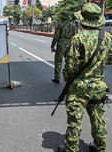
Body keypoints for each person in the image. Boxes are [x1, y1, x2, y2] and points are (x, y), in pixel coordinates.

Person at [59, 3, 112, 152]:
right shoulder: (107, 38)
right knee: (98, 118)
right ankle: (100, 147)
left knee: (75, 120)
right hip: (98, 85)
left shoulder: (78, 39)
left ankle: (71, 148)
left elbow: (70, 66)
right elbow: (110, 59)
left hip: (79, 87)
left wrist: (67, 78)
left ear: (82, 20)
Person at [50, 11, 76, 83]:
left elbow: (56, 36)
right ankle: (68, 76)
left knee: (58, 61)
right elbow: (74, 36)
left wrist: (52, 46)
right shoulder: (72, 25)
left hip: (61, 44)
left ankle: (57, 77)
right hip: (70, 43)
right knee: (69, 60)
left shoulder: (60, 25)